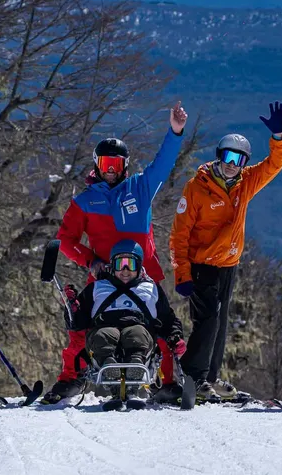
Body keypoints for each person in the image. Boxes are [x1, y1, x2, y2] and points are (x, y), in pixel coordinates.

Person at [43, 101, 188, 404]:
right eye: (106, 164)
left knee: (159, 326)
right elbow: (66, 239)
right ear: (96, 164)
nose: (111, 170)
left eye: (117, 164)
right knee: (80, 325)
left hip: (143, 271)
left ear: (125, 165)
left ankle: (166, 382)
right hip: (105, 274)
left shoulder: (140, 188)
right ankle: (71, 378)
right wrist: (90, 260)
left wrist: (175, 132)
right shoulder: (85, 201)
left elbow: (163, 163)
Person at [169, 101, 282, 402]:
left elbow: (274, 165)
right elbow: (179, 235)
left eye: (239, 158)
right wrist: (182, 273)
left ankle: (209, 377)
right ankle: (191, 375)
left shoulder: (245, 184)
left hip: (228, 265)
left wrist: (278, 138)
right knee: (207, 319)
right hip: (201, 265)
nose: (232, 163)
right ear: (219, 156)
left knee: (219, 325)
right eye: (228, 156)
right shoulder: (197, 188)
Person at [68, 240, 185, 404]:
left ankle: (135, 366)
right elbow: (78, 323)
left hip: (139, 329)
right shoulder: (97, 287)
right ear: (112, 266)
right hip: (104, 327)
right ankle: (110, 369)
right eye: (119, 264)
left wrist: (175, 336)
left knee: (135, 333)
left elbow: (167, 319)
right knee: (104, 335)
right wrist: (73, 309)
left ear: (138, 266)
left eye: (130, 264)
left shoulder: (150, 289)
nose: (125, 270)